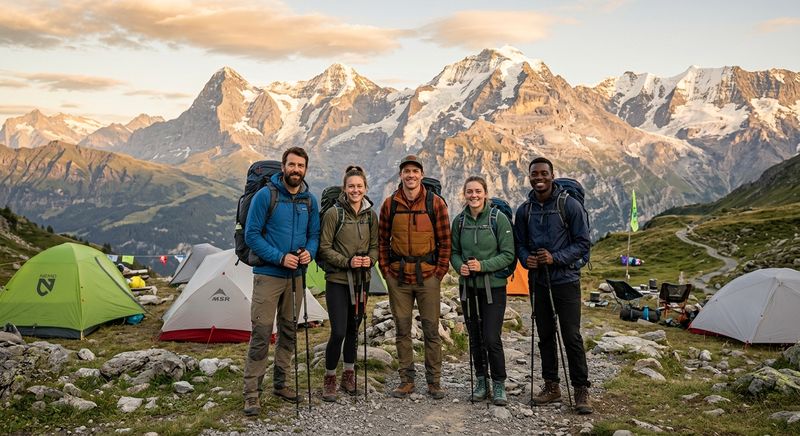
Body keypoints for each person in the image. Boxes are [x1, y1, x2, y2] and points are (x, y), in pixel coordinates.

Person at [242, 147, 320, 416]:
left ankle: (281, 383)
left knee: (288, 331)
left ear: (305, 169)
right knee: (262, 334)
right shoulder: (266, 196)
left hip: (296, 277)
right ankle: (252, 393)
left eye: (300, 166)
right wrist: (279, 257)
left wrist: (310, 250)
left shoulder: (310, 201)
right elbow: (251, 235)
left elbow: (314, 234)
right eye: (291, 165)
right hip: (268, 275)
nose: (295, 169)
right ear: (283, 167)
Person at [513, 156, 592, 415]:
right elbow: (520, 245)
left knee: (571, 336)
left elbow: (583, 243)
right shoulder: (525, 210)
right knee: (545, 335)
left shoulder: (569, 205)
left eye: (543, 173)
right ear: (530, 176)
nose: (539, 178)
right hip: (538, 281)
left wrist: (554, 258)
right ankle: (551, 386)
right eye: (534, 174)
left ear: (552, 175)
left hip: (566, 281)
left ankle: (581, 389)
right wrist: (527, 260)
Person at [379, 155, 451, 399]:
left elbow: (445, 240)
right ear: (401, 175)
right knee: (402, 329)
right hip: (398, 277)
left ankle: (434, 382)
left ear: (421, 175)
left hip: (428, 275)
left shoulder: (436, 203)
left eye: (415, 171)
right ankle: (406, 380)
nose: (410, 175)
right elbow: (381, 239)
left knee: (431, 329)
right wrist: (386, 271)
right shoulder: (390, 204)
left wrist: (439, 272)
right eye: (406, 171)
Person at [450, 176, 515, 406]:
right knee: (475, 336)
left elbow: (509, 254)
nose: (474, 195)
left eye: (478, 191)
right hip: (468, 287)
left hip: (493, 289)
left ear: (485, 193)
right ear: (464, 194)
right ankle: (481, 380)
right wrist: (460, 267)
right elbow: (454, 252)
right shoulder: (459, 221)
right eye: (469, 192)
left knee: (491, 337)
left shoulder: (499, 219)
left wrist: (483, 266)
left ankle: (498, 383)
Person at [317, 165, 379, 402]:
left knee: (354, 330)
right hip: (338, 281)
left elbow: (375, 246)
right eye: (351, 186)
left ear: (365, 188)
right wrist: (348, 262)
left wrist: (369, 260)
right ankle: (330, 377)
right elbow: (324, 248)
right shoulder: (335, 213)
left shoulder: (370, 215)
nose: (355, 190)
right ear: (345, 188)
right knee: (339, 331)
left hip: (362, 281)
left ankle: (349, 374)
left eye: (359, 186)